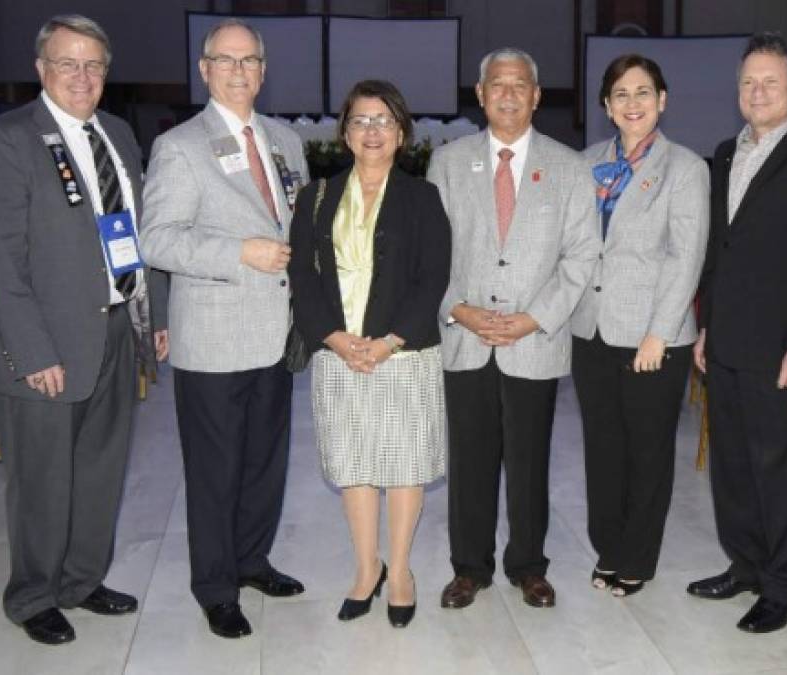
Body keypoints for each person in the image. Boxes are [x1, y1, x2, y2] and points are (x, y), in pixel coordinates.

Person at [0, 14, 168, 645]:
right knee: (42, 480)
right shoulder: (8, 139)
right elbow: (0, 256)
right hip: (46, 347)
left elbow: (136, 233)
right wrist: (31, 350)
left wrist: (152, 315)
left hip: (115, 332)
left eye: (94, 65)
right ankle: (32, 595)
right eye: (67, 63)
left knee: (100, 469)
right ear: (40, 69)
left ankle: (82, 580)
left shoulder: (116, 133)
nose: (82, 76)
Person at [139, 18, 308, 639]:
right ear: (205, 69)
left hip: (276, 332)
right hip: (213, 335)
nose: (240, 71)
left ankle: (252, 559)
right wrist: (240, 253)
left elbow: (298, 225)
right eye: (226, 60)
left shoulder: (286, 141)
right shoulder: (180, 145)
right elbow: (158, 239)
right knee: (215, 469)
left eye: (250, 61)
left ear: (263, 71)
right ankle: (215, 585)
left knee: (266, 460)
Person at [688, 32, 787, 633]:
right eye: (748, 83)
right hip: (727, 341)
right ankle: (746, 565)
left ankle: (784, 587)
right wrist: (705, 327)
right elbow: (719, 251)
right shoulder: (727, 152)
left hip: (785, 347)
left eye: (770, 82)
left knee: (781, 471)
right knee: (733, 465)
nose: (758, 92)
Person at [427, 47, 599, 610]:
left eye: (519, 84)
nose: (507, 93)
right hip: (467, 337)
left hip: (535, 342)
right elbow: (429, 258)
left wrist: (534, 318)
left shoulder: (569, 167)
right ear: (479, 95)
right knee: (470, 461)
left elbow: (581, 256)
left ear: (536, 95)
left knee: (529, 462)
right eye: (496, 84)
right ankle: (468, 568)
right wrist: (459, 309)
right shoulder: (448, 163)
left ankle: (528, 565)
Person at [288, 80, 451, 629]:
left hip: (401, 353)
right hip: (339, 353)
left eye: (383, 120)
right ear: (344, 133)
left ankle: (401, 571)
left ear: (401, 132)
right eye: (361, 120)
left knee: (404, 465)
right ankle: (367, 568)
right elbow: (301, 278)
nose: (372, 130)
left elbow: (433, 278)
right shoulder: (315, 196)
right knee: (354, 464)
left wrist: (388, 341)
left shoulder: (423, 197)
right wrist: (331, 337)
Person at [572, 54, 709, 597]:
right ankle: (608, 545)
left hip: (655, 337)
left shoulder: (685, 168)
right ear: (606, 106)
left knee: (647, 452)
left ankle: (637, 557)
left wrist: (659, 331)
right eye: (621, 94)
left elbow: (686, 255)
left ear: (663, 100)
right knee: (602, 449)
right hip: (593, 331)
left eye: (643, 92)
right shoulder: (584, 163)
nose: (633, 103)